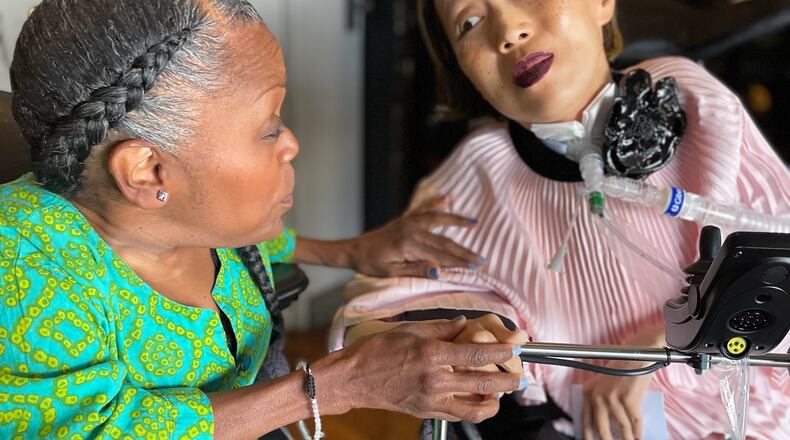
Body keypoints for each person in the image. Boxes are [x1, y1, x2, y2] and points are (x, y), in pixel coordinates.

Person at [0, 0, 530, 438]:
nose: (291, 143)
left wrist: (350, 252)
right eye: (269, 127)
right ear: (147, 171)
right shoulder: (22, 270)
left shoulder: (191, 222)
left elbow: (255, 249)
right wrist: (339, 385)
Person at [332, 1, 790, 439]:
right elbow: (372, 319)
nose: (508, 32)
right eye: (469, 22)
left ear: (603, 3)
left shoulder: (689, 99)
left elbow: (775, 256)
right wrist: (470, 337)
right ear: (463, 69)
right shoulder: (476, 177)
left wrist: (655, 348)